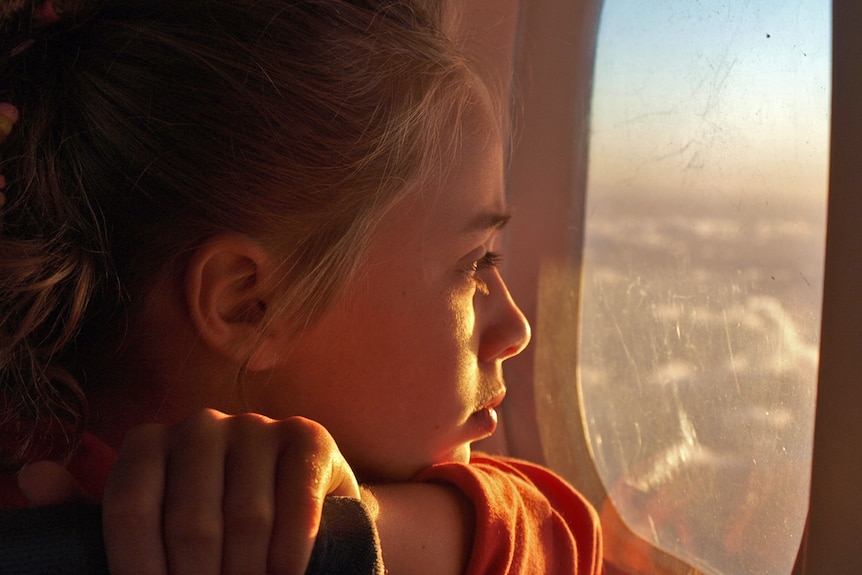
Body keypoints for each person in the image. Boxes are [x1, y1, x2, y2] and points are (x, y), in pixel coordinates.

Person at [0, 0, 603, 573]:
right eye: (475, 264)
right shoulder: (45, 526)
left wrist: (356, 526)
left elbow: (559, 530)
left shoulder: (385, 469)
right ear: (249, 306)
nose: (516, 329)